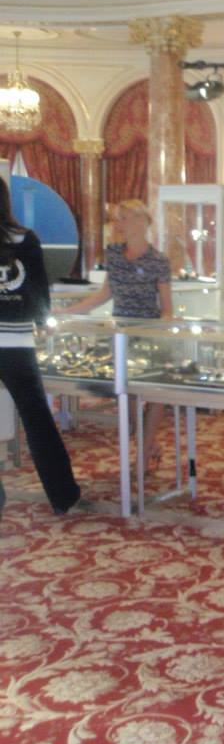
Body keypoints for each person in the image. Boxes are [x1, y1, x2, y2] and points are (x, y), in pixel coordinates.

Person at [67, 198, 172, 469]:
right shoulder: (113, 254)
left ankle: (144, 452)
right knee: (127, 394)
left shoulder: (158, 260)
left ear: (141, 221)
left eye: (123, 218)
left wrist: (162, 330)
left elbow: (166, 308)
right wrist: (69, 312)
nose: (118, 224)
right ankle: (148, 444)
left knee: (155, 393)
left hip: (148, 334)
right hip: (121, 335)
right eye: (117, 219)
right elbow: (105, 294)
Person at [0, 175, 82, 519]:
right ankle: (62, 495)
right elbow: (38, 291)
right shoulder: (26, 239)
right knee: (37, 421)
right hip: (17, 343)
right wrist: (40, 321)